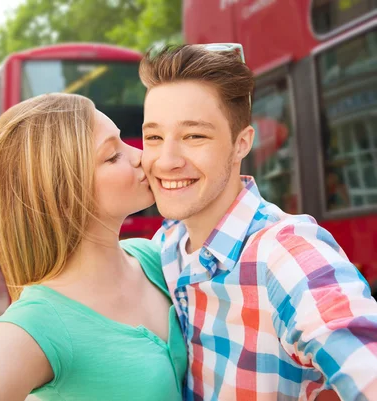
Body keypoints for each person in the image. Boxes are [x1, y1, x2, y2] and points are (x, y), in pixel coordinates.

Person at [140, 43, 377, 401]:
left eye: (194, 136)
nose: (166, 159)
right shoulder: (168, 243)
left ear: (241, 143)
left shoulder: (285, 253)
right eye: (154, 137)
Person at [0, 93, 186, 401]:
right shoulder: (36, 325)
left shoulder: (156, 258)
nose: (140, 156)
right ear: (61, 195)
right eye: (112, 155)